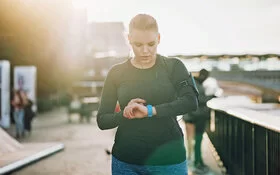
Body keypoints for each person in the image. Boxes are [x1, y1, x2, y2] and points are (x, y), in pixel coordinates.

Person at [97, 14, 199, 175]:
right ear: (129, 39)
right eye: (138, 44)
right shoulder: (116, 73)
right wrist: (125, 114)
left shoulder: (174, 66)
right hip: (126, 161)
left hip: (169, 160)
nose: (145, 51)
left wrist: (150, 111)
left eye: (151, 44)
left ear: (158, 38)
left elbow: (190, 101)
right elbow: (102, 120)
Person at [183, 69, 215, 174]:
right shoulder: (195, 84)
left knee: (192, 140)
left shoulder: (194, 83)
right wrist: (210, 97)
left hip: (191, 116)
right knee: (196, 139)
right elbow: (199, 99)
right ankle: (195, 162)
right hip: (196, 117)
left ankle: (194, 161)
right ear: (203, 75)